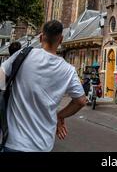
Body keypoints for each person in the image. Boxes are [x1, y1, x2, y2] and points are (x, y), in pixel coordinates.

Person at [0, 20, 86, 152]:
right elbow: (80, 101)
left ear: (41, 37)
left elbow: (1, 74)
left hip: (14, 142)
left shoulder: (24, 55)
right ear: (61, 40)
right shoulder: (68, 70)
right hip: (42, 145)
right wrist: (60, 115)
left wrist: (7, 92)